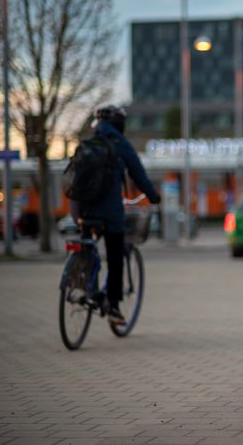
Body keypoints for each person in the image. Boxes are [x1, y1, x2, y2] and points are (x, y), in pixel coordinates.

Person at [75, 106, 160, 324]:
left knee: (88, 245)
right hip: (110, 213)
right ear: (120, 124)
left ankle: (84, 285)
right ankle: (113, 306)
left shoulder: (86, 144)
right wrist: (153, 196)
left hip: (83, 209)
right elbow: (137, 173)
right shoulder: (120, 144)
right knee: (115, 256)